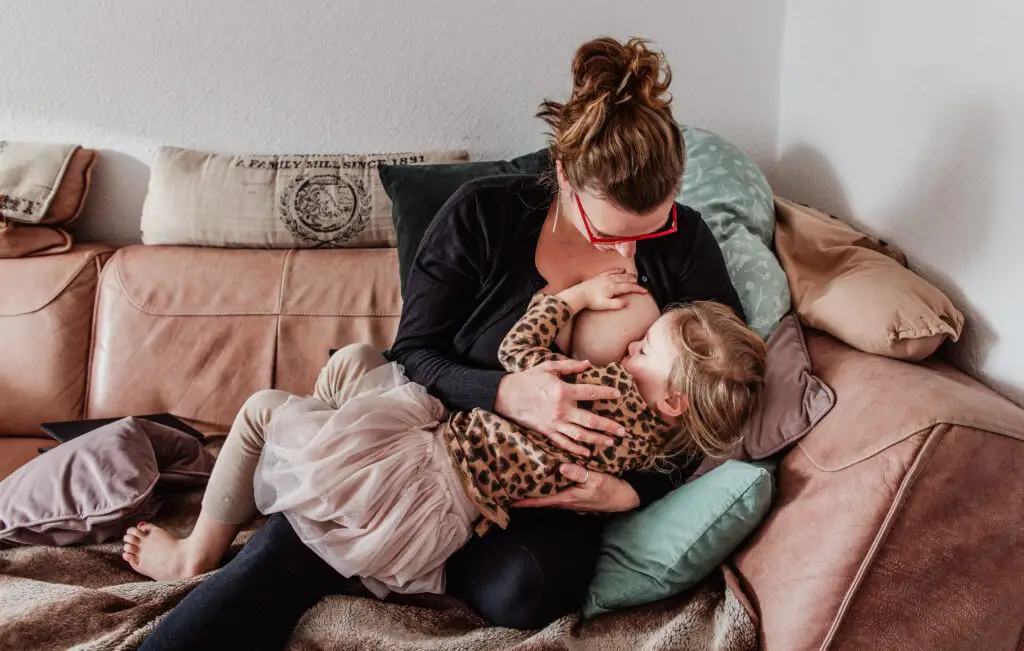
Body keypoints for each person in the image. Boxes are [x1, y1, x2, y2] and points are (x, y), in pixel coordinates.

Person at [137, 36, 745, 650]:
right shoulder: (484, 213)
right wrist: (509, 392)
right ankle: (294, 532)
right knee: (301, 543)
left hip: (537, 488)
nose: (629, 253)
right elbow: (417, 355)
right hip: (433, 434)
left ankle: (385, 542)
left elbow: (714, 400)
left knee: (531, 590)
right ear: (562, 174)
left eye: (656, 225)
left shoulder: (687, 245)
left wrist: (632, 491)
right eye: (608, 232)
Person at [123, 274, 765, 597]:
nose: (629, 345)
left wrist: (571, 297)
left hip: (424, 465)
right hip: (443, 518)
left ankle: (195, 556)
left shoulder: (604, 392)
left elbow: (519, 349)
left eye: (644, 348)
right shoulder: (650, 449)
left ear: (674, 398)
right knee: (352, 363)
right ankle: (303, 474)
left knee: (265, 410)